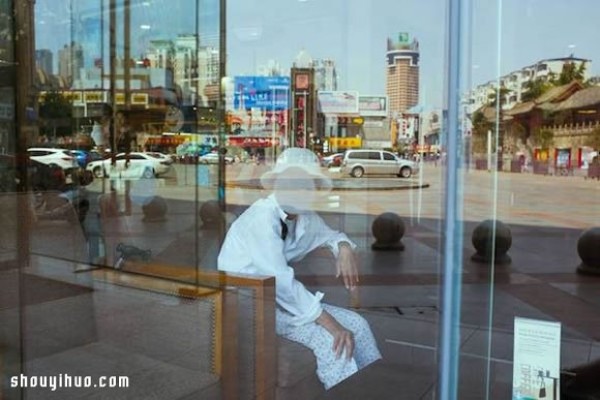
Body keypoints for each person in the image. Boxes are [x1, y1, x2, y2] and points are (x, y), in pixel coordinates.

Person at [218, 148, 381, 390]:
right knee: (331, 340)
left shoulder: (303, 216)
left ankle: (369, 389)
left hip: (280, 301)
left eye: (306, 184)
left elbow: (332, 236)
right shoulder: (260, 219)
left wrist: (344, 247)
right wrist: (332, 324)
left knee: (358, 325)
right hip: (247, 304)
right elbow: (281, 282)